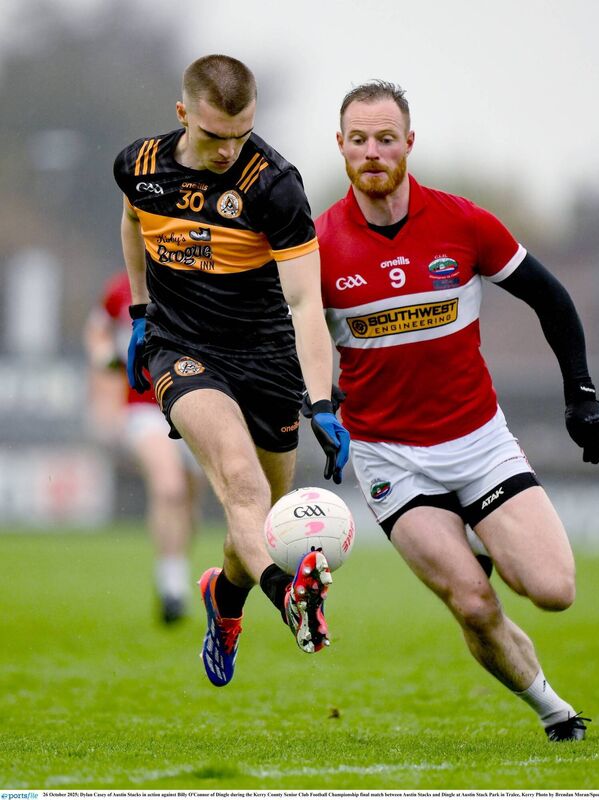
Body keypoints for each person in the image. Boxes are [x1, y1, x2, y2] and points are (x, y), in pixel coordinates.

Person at [315, 81, 599, 741]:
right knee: (474, 603)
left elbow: (551, 298)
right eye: (359, 140)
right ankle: (555, 712)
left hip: (479, 442)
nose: (372, 152)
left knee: (553, 591)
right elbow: (294, 342)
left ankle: (479, 532)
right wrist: (318, 406)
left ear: (409, 143)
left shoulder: (464, 222)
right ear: (341, 146)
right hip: (390, 456)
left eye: (385, 138)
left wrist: (582, 394)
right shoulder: (318, 247)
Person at [113, 54, 350, 687]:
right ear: (183, 114)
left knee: (262, 521)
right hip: (182, 348)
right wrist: (140, 311)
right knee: (242, 488)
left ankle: (225, 600)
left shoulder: (274, 185)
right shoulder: (139, 166)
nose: (228, 151)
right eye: (216, 135)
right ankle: (288, 598)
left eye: (242, 134)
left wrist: (321, 403)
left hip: (267, 359)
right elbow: (133, 219)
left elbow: (305, 302)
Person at [84, 271, 204, 624]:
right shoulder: (121, 287)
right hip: (143, 408)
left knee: (189, 499)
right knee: (169, 488)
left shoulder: (196, 278)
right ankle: (172, 588)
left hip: (194, 405)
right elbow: (97, 329)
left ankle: (177, 569)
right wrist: (104, 359)